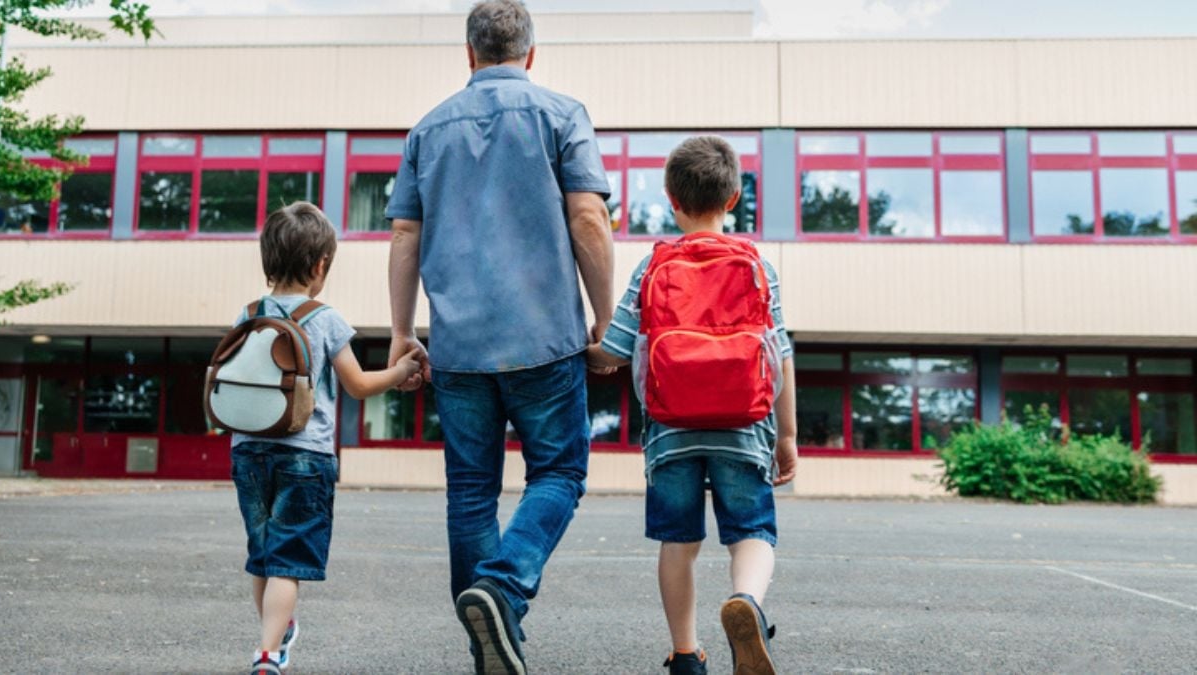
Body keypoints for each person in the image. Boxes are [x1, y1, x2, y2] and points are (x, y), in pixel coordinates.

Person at [384, 1, 615, 673]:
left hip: (457, 347)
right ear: (531, 55)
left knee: (470, 492)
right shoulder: (562, 114)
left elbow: (404, 235)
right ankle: (504, 587)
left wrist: (402, 332)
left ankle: (489, 642)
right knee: (561, 471)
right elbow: (589, 219)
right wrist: (605, 319)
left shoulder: (427, 130)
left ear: (469, 54)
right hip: (545, 337)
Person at [586, 136, 798, 675]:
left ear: (670, 199)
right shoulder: (757, 264)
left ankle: (686, 654)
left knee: (678, 542)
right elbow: (780, 356)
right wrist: (788, 437)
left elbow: (613, 350)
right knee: (752, 531)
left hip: (670, 430)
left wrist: (587, 350)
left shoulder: (653, 264)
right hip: (745, 424)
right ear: (733, 199)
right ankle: (746, 601)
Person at [231, 202, 424, 675]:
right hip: (304, 456)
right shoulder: (325, 318)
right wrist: (399, 370)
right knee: (288, 559)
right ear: (321, 265)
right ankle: (266, 654)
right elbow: (358, 384)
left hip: (247, 449)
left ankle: (271, 636)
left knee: (263, 553)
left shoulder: (249, 312)